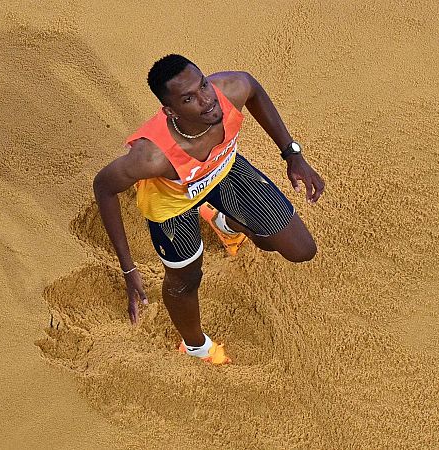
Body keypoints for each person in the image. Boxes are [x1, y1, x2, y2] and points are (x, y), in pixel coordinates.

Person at [93, 54, 325, 365]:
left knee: (300, 249)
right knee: (186, 280)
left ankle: (226, 222)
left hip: (222, 170)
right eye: (189, 98)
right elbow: (104, 187)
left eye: (203, 85)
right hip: (172, 205)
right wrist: (128, 268)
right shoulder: (151, 158)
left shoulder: (230, 89)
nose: (207, 101)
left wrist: (292, 154)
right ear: (170, 111)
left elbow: (253, 88)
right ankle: (195, 346)